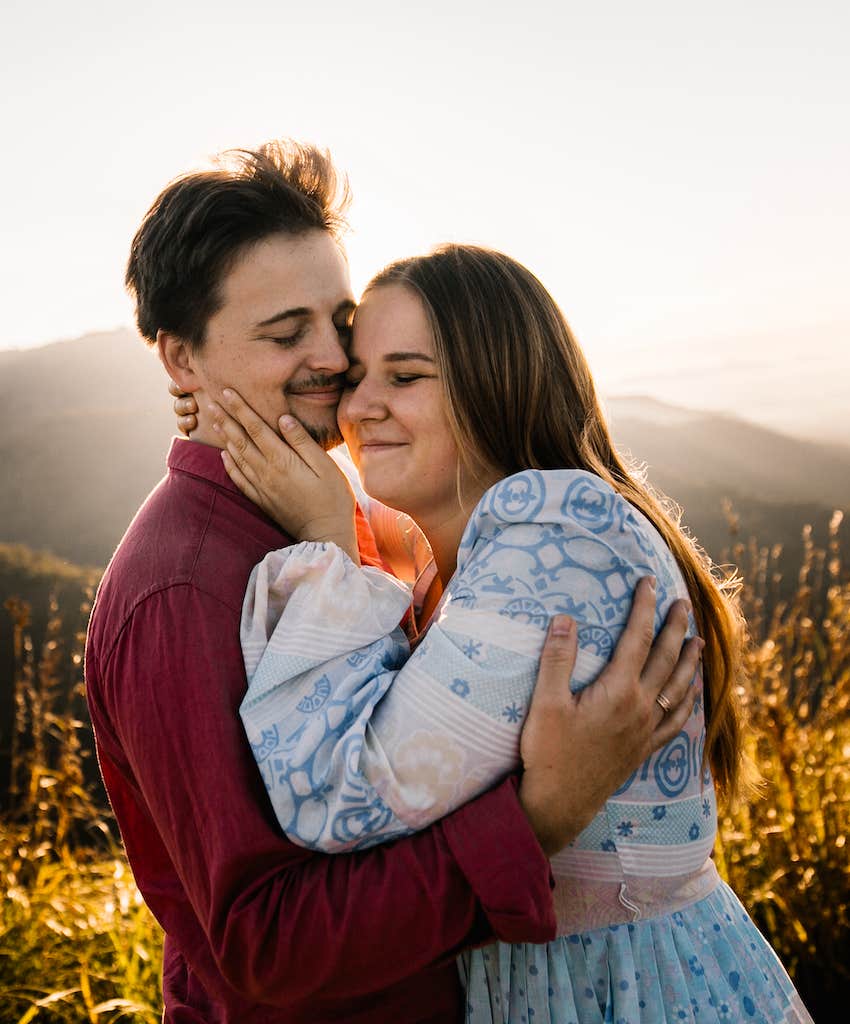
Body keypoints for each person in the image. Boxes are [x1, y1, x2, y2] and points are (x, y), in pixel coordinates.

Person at [84, 139, 700, 1024]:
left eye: (339, 320)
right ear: (182, 361)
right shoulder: (183, 590)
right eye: (284, 332)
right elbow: (269, 942)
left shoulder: (339, 518)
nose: (334, 358)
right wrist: (541, 817)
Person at [199, 243, 815, 1023]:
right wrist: (233, 409)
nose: (357, 408)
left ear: (497, 384)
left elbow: (341, 801)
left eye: (406, 376)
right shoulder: (518, 535)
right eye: (356, 378)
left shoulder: (554, 542)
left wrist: (323, 538)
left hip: (628, 995)